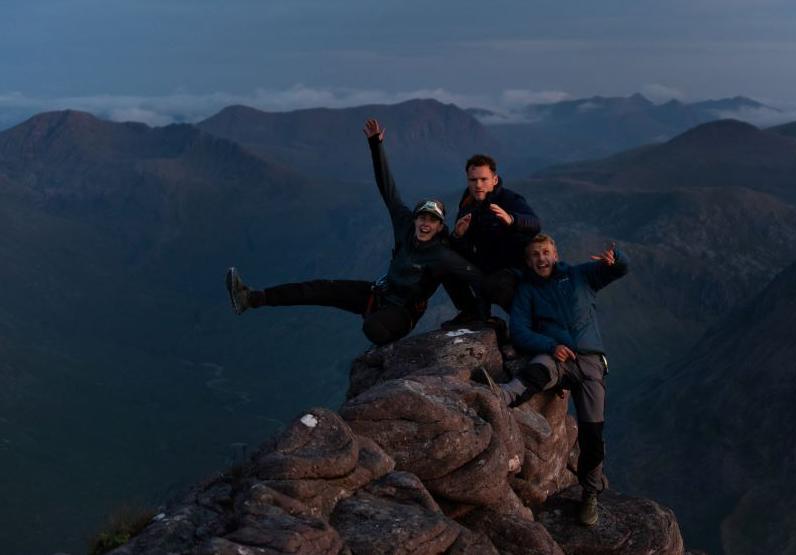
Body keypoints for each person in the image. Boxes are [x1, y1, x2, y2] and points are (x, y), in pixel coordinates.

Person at [225, 118, 485, 346]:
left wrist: (501, 302)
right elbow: (387, 187)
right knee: (319, 289)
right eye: (422, 217)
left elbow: (475, 276)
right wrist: (376, 146)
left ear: (440, 226)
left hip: (402, 314)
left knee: (372, 328)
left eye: (432, 220)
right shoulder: (405, 225)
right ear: (415, 218)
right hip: (378, 294)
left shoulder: (442, 254)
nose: (425, 223)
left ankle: (387, 346)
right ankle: (250, 298)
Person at [489, 233, 628, 527]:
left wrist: (618, 259)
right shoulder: (527, 292)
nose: (541, 258)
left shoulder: (579, 276)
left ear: (555, 254)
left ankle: (590, 494)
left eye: (546, 252)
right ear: (529, 261)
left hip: (589, 362)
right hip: (557, 358)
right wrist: (549, 345)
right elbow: (519, 331)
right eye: (535, 255)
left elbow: (618, 270)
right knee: (538, 371)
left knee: (593, 434)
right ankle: (500, 396)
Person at [443, 153, 541, 322]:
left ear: (494, 180)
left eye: (483, 179)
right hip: (483, 266)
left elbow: (535, 224)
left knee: (498, 286)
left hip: (512, 268)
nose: (478, 185)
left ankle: (529, 323)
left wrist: (512, 220)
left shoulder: (509, 199)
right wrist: (458, 236)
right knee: (443, 261)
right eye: (473, 180)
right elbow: (463, 249)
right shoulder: (467, 206)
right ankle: (472, 311)